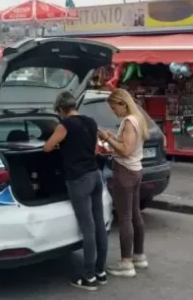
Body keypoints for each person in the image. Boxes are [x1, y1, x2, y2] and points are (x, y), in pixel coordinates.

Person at [43, 92, 108, 291]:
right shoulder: (90, 122)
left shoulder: (65, 125)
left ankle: (88, 277)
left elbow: (47, 147)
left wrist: (59, 142)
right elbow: (95, 147)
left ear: (62, 109)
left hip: (79, 179)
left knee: (87, 227)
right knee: (98, 224)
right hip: (95, 175)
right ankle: (100, 271)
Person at [97, 88, 148, 278]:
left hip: (125, 170)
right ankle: (139, 256)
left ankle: (126, 262)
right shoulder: (139, 118)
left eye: (113, 107)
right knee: (135, 214)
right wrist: (114, 136)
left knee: (125, 217)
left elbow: (125, 150)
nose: (113, 112)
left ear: (122, 103)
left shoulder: (128, 121)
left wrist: (108, 139)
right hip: (136, 169)